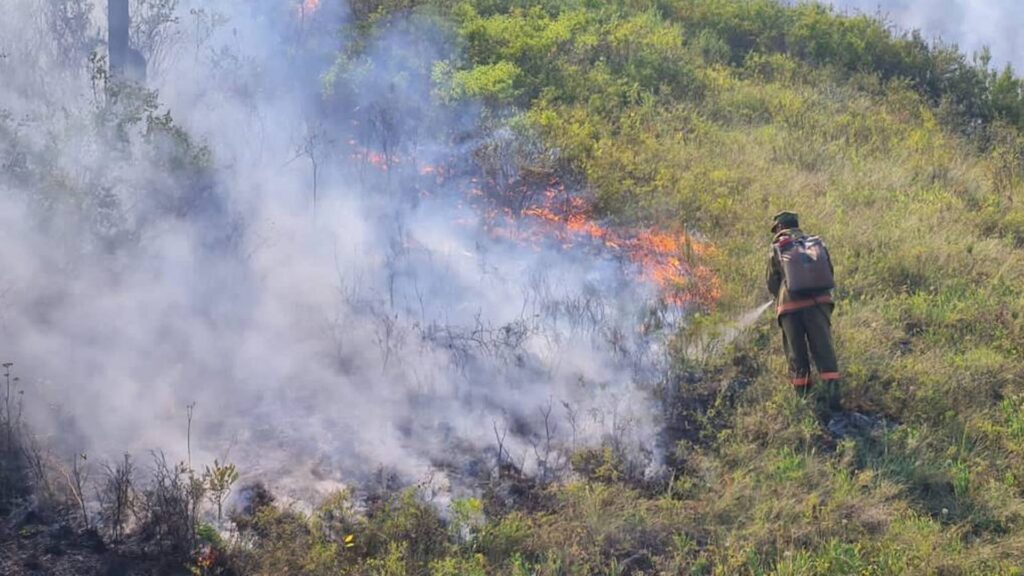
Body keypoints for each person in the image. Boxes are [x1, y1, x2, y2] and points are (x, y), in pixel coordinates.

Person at [765, 211, 841, 411]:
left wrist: (780, 295)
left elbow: (772, 283)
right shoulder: (816, 244)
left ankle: (803, 400)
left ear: (780, 228)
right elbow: (829, 272)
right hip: (819, 304)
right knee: (824, 350)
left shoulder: (778, 248)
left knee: (796, 353)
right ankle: (833, 399)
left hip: (790, 308)